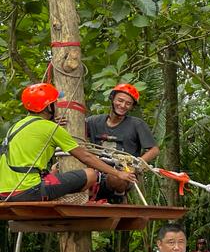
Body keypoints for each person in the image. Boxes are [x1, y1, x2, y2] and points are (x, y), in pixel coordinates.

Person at [0, 82, 135, 202]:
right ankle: (76, 199)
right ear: (48, 107)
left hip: (5, 193)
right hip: (29, 191)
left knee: (53, 171)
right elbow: (85, 157)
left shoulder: (16, 126)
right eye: (54, 103)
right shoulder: (51, 128)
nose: (57, 105)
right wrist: (118, 173)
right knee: (90, 174)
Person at [85, 82, 159, 202]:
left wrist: (135, 166)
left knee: (116, 178)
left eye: (128, 103)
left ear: (132, 107)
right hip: (95, 172)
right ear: (112, 99)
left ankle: (117, 197)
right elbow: (75, 129)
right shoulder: (93, 121)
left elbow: (154, 150)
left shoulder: (136, 124)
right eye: (120, 100)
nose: (123, 105)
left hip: (121, 174)